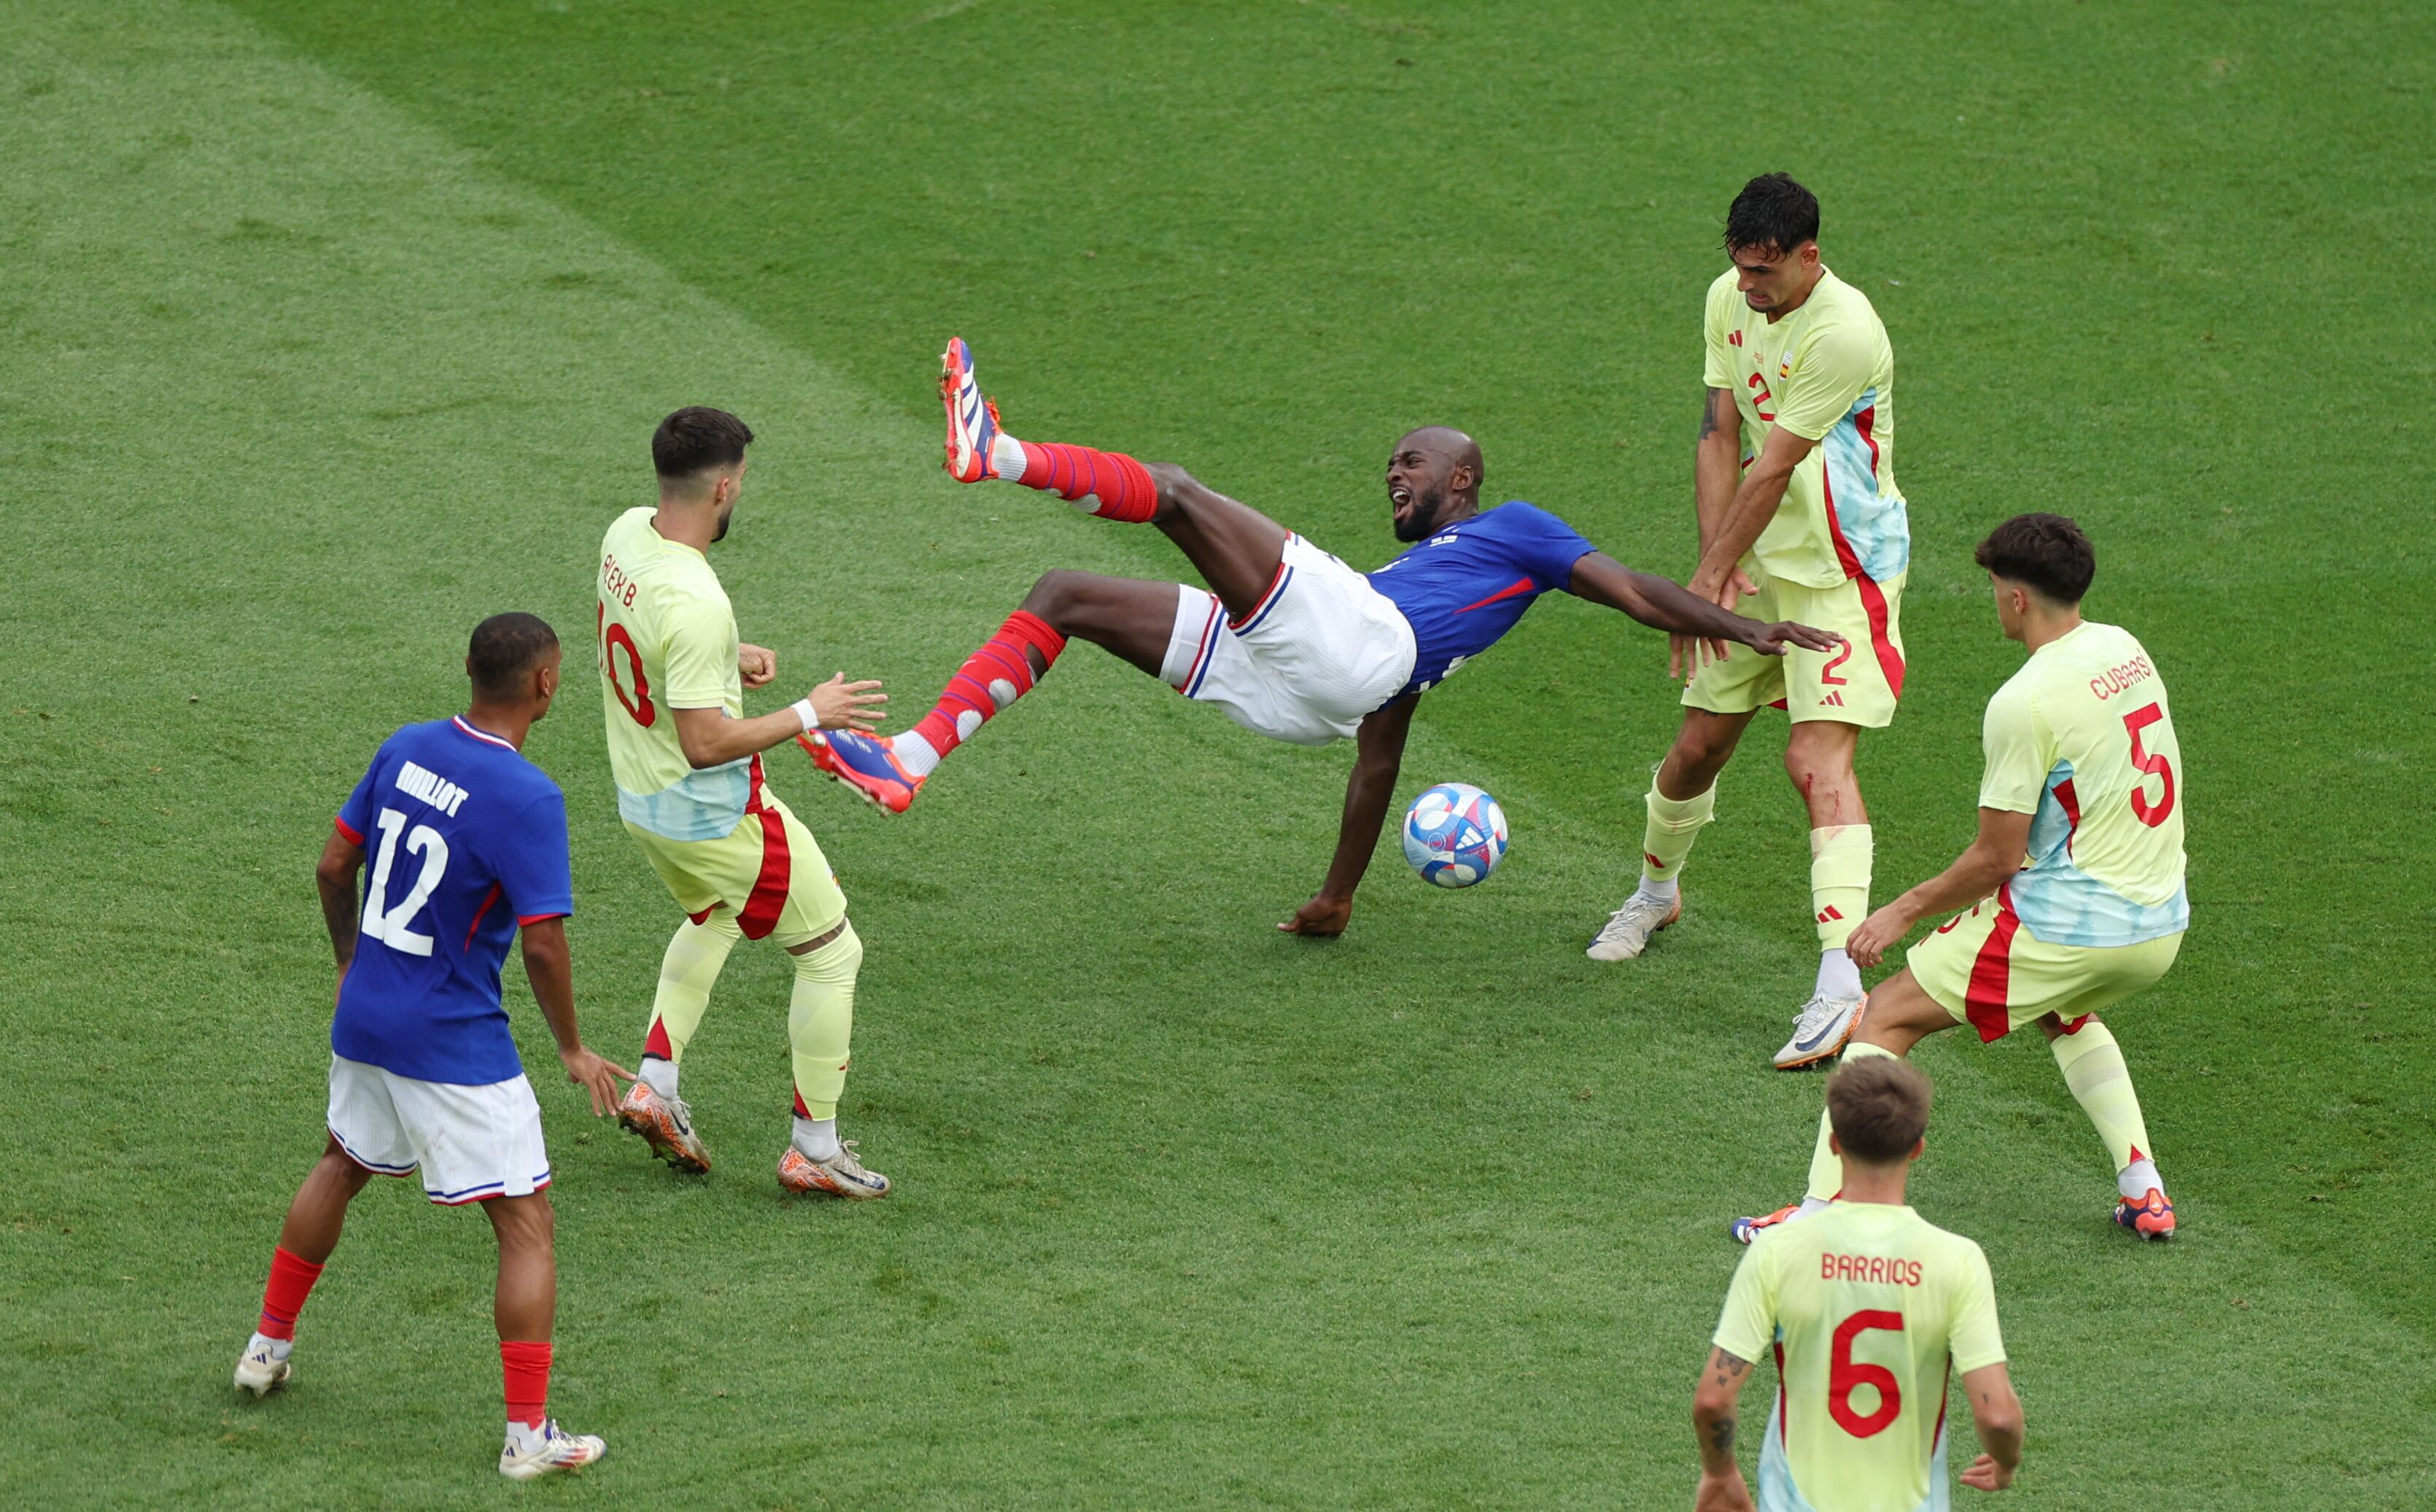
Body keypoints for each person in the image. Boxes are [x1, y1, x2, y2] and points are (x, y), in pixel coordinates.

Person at [804, 338, 1838, 937]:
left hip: (1354, 656)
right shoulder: (1405, 600)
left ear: (1462, 481)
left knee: (1173, 493)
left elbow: (1633, 590)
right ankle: (908, 759)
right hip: (1310, 697)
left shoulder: (1511, 530)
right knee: (1065, 591)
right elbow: (1376, 757)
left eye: (1413, 464)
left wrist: (1739, 620)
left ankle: (997, 451)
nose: (1396, 474)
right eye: (1393, 464)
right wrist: (1339, 894)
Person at [233, 613, 628, 1481]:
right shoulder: (529, 798)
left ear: (467, 671)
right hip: (451, 1042)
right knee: (526, 1222)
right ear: (547, 684)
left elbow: (334, 867)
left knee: (340, 1162)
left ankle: (265, 1348)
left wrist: (348, 964)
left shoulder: (405, 746)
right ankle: (528, 1438)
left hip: (367, 1016)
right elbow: (543, 943)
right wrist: (572, 1048)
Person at [1735, 514, 2188, 1247]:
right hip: (2160, 922)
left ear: (2013, 599)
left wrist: (1897, 913)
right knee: (2059, 1003)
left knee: (1883, 1017)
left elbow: (1995, 860)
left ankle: (1818, 1217)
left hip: (2073, 924)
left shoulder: (2024, 701)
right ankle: (2144, 1189)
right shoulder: (2124, 649)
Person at [1586, 173, 1911, 1074]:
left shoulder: (1844, 331)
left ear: (1809, 256)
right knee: (1697, 748)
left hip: (1840, 578)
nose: (1749, 288)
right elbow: (1716, 435)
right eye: (1739, 268)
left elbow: (1772, 467)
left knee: (1815, 761)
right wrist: (1718, 577)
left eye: (1766, 273)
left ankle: (1840, 983)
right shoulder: (1726, 299)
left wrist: (1704, 575)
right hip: (1757, 566)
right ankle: (1655, 894)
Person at [597, 408, 893, 1197]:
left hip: (640, 798)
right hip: (712, 812)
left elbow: (657, 644)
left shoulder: (626, 533)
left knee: (716, 915)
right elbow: (705, 742)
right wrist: (809, 713)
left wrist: (730, 656)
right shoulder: (696, 601)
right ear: (724, 485)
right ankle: (815, 1149)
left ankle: (654, 1086)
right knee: (832, 951)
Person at [1694, 1057, 2023, 1511]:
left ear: (1834, 1144)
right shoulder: (1957, 1261)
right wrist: (2005, 1463)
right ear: (1917, 1148)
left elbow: (1713, 1400)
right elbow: (1999, 1416)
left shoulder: (1777, 1251)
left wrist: (1720, 1473)